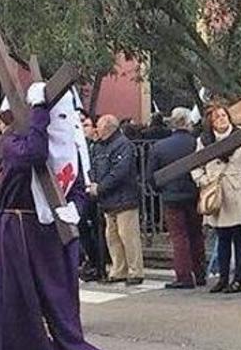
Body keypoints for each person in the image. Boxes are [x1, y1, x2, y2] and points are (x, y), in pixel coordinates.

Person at [0, 83, 127, 350]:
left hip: (54, 241)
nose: (59, 123)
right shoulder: (13, 142)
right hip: (17, 236)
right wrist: (38, 112)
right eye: (50, 115)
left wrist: (74, 211)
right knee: (17, 320)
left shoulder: (70, 152)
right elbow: (32, 154)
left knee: (58, 320)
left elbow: (77, 188)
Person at [192, 105, 241, 294]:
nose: (222, 119)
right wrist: (204, 181)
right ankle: (222, 278)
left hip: (237, 193)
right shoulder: (204, 141)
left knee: (239, 237)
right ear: (210, 122)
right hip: (217, 193)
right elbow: (195, 166)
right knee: (222, 238)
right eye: (217, 117)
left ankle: (238, 279)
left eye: (224, 115)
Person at [148, 107, 206, 289]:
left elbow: (151, 175)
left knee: (179, 237)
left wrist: (161, 190)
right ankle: (200, 273)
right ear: (188, 123)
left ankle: (184, 276)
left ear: (172, 123)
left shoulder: (160, 146)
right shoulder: (195, 144)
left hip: (171, 197)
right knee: (196, 234)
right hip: (193, 194)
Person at [91, 114, 144, 285]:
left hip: (124, 197)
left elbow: (120, 172)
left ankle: (135, 271)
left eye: (98, 126)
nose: (96, 129)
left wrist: (99, 187)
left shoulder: (123, 145)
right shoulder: (99, 146)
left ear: (107, 127)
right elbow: (95, 169)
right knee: (112, 237)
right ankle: (119, 270)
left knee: (128, 236)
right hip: (109, 198)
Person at [77, 112, 108, 282]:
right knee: (82, 227)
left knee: (98, 229)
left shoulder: (96, 147)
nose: (82, 128)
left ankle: (99, 264)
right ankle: (92, 260)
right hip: (81, 192)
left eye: (86, 124)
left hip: (95, 192)